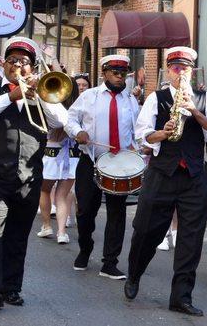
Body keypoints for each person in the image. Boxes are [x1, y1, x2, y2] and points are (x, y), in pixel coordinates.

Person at [124, 46, 207, 316]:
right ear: (168, 70)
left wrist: (196, 112)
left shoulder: (206, 99)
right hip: (162, 173)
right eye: (176, 68)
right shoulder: (155, 99)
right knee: (147, 230)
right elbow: (141, 136)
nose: (181, 72)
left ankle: (181, 297)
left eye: (185, 68)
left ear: (192, 71)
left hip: (194, 176)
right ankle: (134, 273)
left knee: (191, 240)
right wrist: (162, 132)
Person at [0, 37, 68, 309]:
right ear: (4, 64)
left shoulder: (42, 94)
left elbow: (62, 121)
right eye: (13, 61)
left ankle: (12, 288)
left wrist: (42, 97)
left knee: (17, 236)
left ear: (33, 68)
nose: (18, 66)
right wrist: (10, 95)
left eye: (24, 62)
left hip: (28, 177)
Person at [65, 55, 140, 280]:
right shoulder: (89, 97)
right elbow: (70, 119)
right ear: (105, 73)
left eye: (124, 73)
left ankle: (110, 262)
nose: (120, 77)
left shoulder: (131, 100)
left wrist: (138, 148)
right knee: (86, 210)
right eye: (115, 73)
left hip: (120, 164)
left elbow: (137, 130)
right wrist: (77, 132)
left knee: (117, 213)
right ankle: (85, 247)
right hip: (91, 160)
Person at [37, 78, 80, 244]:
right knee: (62, 195)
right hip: (72, 154)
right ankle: (61, 233)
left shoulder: (52, 107)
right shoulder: (78, 108)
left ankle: (47, 226)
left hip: (52, 151)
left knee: (44, 191)